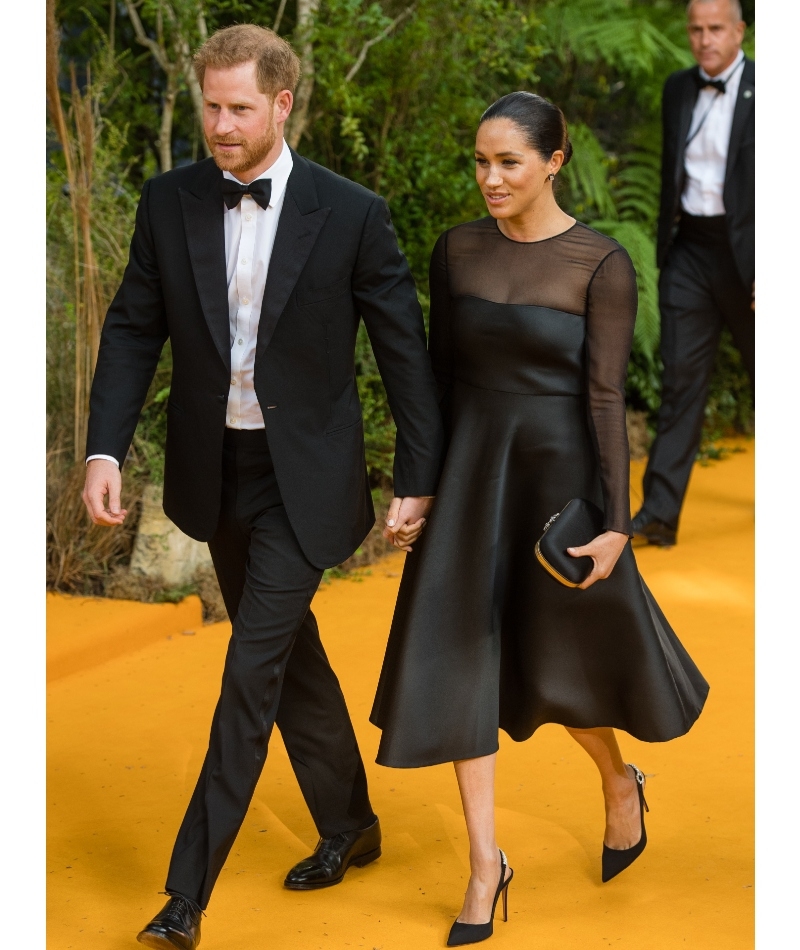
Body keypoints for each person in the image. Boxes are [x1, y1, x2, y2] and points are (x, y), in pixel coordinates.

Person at [81, 24, 445, 950]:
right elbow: (131, 329)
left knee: (248, 676)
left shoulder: (351, 212)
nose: (220, 124)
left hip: (305, 481)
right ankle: (352, 823)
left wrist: (417, 475)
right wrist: (104, 451)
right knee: (290, 662)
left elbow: (403, 349)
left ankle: (184, 897)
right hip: (219, 473)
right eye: (210, 105)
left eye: (239, 107)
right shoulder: (171, 202)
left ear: (283, 104)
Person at [370, 92, 709, 947]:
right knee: (460, 666)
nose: (489, 178)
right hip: (473, 475)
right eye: (480, 162)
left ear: (553, 161)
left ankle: (618, 779)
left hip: (556, 492)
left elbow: (604, 397)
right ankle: (486, 865)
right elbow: (439, 382)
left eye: (508, 162)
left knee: (560, 666)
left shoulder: (600, 263)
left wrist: (617, 523)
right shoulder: (458, 252)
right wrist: (421, 485)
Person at [632, 0, 754, 547]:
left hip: (753, 255)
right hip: (690, 252)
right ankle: (658, 511)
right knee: (680, 380)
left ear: (739, 31)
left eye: (715, 29)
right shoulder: (678, 88)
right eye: (696, 30)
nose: (704, 40)